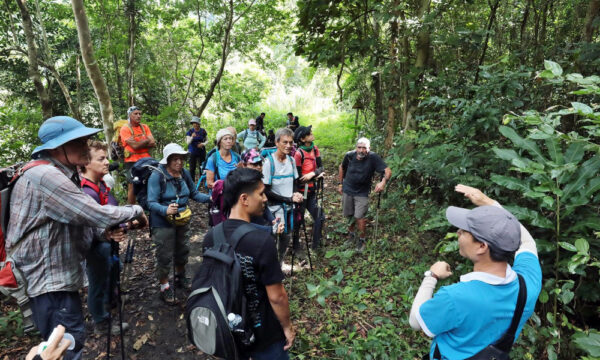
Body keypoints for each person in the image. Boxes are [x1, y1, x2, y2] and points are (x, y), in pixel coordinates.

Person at [7, 116, 147, 360]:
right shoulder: (45, 176)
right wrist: (136, 210)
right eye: (78, 141)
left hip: (55, 281)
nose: (85, 145)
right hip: (49, 284)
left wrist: (102, 233)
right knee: (65, 347)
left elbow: (73, 219)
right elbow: (92, 212)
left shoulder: (61, 173)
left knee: (67, 341)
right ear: (57, 148)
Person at [409, 184, 542, 360]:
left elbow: (416, 322)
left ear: (482, 246)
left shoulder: (456, 297)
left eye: (464, 231)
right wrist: (488, 203)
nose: (457, 232)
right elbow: (527, 243)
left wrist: (431, 276)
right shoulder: (528, 284)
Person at [203, 167, 295, 359]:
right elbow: (277, 297)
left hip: (228, 327)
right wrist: (287, 327)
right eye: (261, 193)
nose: (265, 198)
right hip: (264, 331)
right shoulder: (262, 241)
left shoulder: (211, 237)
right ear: (244, 199)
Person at [80, 140, 137, 335]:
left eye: (106, 158)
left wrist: (124, 225)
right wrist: (108, 232)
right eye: (101, 158)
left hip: (108, 244)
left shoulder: (101, 184)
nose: (106, 162)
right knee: (97, 282)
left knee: (114, 269)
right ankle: (101, 322)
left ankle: (112, 299)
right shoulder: (85, 192)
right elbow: (90, 223)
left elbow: (111, 211)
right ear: (86, 163)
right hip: (95, 248)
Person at [147, 143, 211, 304]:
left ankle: (180, 277)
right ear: (167, 161)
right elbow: (151, 202)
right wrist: (165, 210)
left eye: (181, 159)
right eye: (175, 159)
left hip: (182, 218)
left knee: (182, 250)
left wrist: (211, 198)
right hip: (162, 222)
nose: (179, 162)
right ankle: (164, 286)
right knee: (164, 254)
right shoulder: (157, 176)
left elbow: (194, 194)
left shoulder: (184, 174)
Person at [337, 137, 391, 251]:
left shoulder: (373, 158)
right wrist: (340, 184)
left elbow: (387, 171)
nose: (361, 150)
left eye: (364, 148)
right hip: (348, 189)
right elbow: (342, 167)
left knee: (359, 216)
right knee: (349, 214)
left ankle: (362, 240)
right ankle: (351, 235)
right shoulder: (349, 156)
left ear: (369, 148)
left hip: (362, 192)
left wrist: (383, 182)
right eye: (359, 147)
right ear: (356, 147)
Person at [262, 128, 303, 263]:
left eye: (291, 143)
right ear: (277, 142)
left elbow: (295, 182)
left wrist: (296, 193)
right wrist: (288, 199)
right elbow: (266, 191)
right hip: (274, 210)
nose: (288, 146)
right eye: (285, 142)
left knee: (286, 238)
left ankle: (279, 264)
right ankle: (270, 269)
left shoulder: (291, 161)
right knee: (272, 240)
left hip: (289, 209)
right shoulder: (269, 163)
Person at [293, 126, 325, 250]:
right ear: (302, 138)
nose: (312, 134)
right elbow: (299, 177)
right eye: (309, 134)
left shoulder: (315, 149)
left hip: (312, 190)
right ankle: (296, 246)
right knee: (299, 220)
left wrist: (313, 174)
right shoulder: (298, 153)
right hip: (301, 192)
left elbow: (321, 168)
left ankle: (316, 246)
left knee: (320, 216)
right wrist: (315, 176)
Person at [241, 149, 284, 235]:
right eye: (254, 164)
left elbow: (264, 206)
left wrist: (273, 220)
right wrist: (270, 230)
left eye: (260, 164)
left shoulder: (259, 182)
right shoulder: (239, 185)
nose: (258, 167)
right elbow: (239, 222)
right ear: (244, 165)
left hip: (260, 226)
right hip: (244, 233)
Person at [120, 106, 156, 204]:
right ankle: (131, 210)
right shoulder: (125, 129)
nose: (138, 116)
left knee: (150, 182)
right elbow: (135, 146)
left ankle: (148, 206)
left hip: (146, 160)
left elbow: (153, 142)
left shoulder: (145, 127)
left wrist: (139, 141)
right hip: (132, 160)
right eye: (135, 114)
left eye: (140, 114)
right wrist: (146, 140)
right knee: (132, 185)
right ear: (130, 115)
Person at [185, 116, 208, 181]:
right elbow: (188, 143)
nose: (195, 124)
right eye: (194, 123)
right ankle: (192, 182)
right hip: (192, 151)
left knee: (202, 166)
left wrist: (203, 144)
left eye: (196, 123)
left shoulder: (203, 131)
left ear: (199, 124)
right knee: (192, 167)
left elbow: (207, 140)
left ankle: (202, 181)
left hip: (201, 151)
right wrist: (192, 137)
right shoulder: (190, 131)